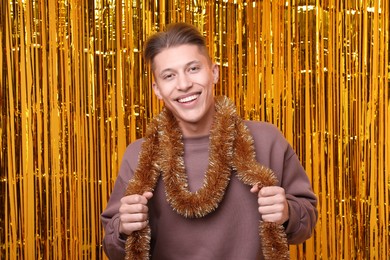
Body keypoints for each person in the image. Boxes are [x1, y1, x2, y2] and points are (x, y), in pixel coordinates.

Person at [101, 23, 318, 260]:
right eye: (169, 75)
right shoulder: (138, 155)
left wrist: (287, 212)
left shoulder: (267, 140)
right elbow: (113, 248)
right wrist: (124, 227)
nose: (183, 84)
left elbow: (306, 218)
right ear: (157, 89)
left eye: (193, 69)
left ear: (213, 72)